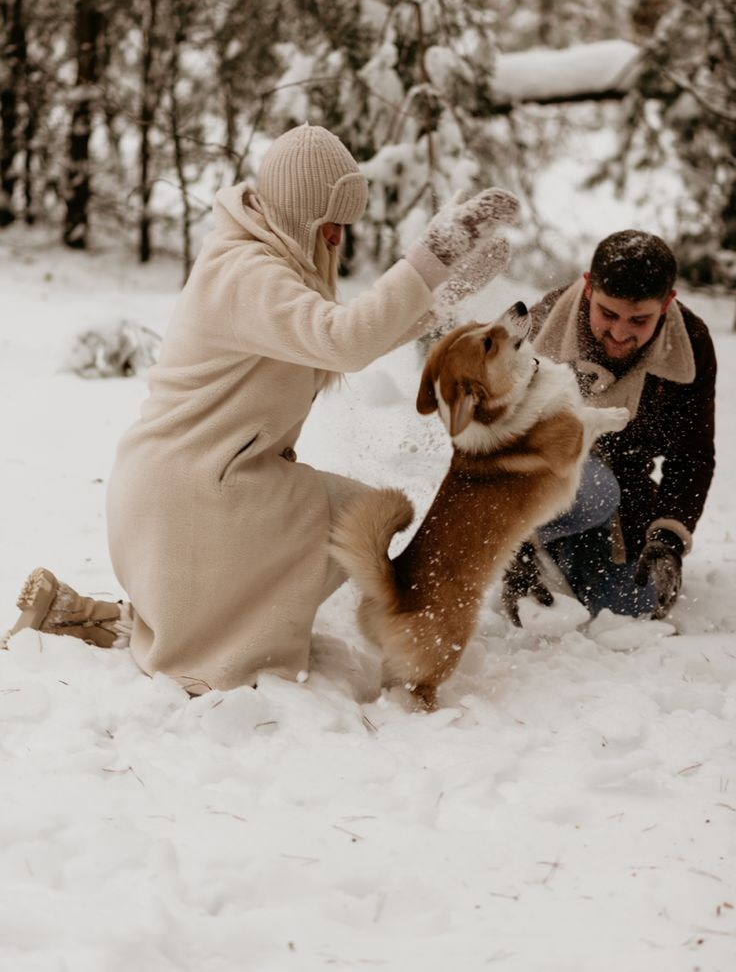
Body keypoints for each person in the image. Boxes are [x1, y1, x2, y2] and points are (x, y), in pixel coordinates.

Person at [6, 124, 518, 692]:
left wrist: (442, 296)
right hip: (192, 493)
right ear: (302, 216)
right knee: (358, 522)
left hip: (194, 485)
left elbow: (337, 342)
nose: (336, 239)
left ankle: (143, 620)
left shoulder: (265, 260)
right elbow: (345, 341)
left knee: (362, 514)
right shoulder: (246, 274)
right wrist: (431, 258)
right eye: (331, 224)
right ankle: (211, 645)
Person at [501, 229, 717, 624]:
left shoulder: (691, 344)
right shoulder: (541, 326)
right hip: (538, 483)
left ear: (667, 304)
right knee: (596, 488)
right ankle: (526, 547)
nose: (620, 333)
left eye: (639, 320)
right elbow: (498, 439)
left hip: (625, 501)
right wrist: (513, 542)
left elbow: (692, 454)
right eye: (609, 314)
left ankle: (564, 555)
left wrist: (667, 539)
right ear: (588, 289)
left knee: (634, 606)